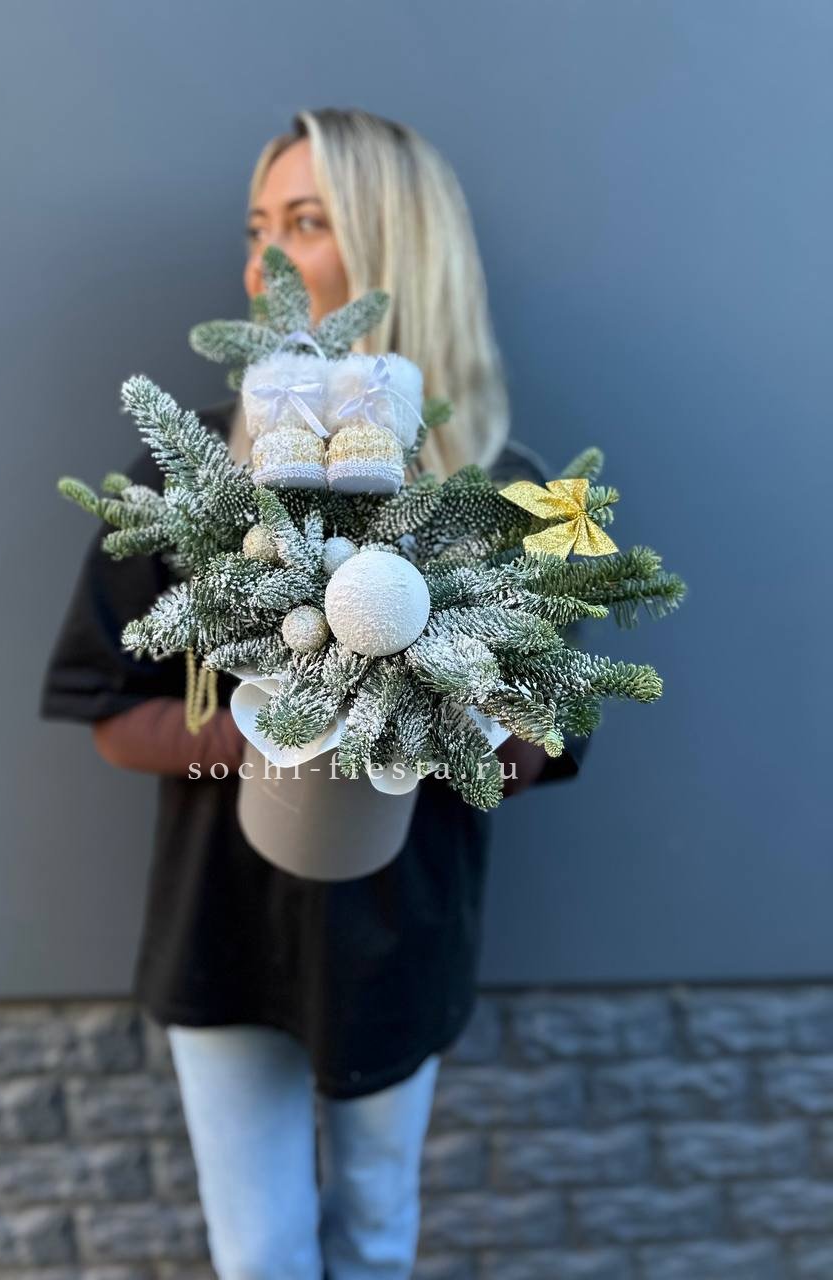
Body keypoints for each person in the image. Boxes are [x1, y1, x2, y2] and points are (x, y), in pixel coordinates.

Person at [40, 107, 589, 1280]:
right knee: (262, 1255)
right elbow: (107, 705)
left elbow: (542, 739)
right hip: (222, 933)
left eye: (305, 222)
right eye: (257, 227)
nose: (265, 260)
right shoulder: (191, 476)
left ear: (393, 247)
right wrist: (272, 737)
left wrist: (440, 716)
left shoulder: (511, 493)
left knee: (378, 1231)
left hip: (401, 934)